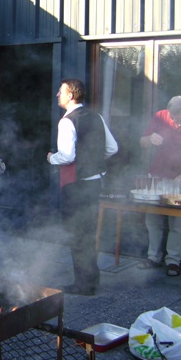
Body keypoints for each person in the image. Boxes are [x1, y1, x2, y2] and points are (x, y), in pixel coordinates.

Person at [47, 79, 118, 296]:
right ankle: (91, 281)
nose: (57, 94)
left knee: (78, 235)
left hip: (76, 186)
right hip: (94, 182)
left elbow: (67, 156)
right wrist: (94, 161)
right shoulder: (96, 116)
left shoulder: (67, 121)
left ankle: (84, 285)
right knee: (87, 233)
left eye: (61, 91)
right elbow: (113, 148)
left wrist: (51, 158)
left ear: (71, 96)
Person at [138, 96, 181, 276]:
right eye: (172, 116)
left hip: (180, 178)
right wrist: (149, 139)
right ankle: (153, 257)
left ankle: (173, 261)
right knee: (152, 218)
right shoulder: (160, 116)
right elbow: (142, 142)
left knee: (177, 222)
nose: (174, 120)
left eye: (178, 117)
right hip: (157, 174)